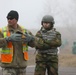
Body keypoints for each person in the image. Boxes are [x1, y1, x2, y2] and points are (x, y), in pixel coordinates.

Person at [0, 10, 35, 75]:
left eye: (11, 18)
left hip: (21, 67)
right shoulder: (2, 31)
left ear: (16, 19)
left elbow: (35, 44)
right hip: (8, 67)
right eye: (7, 18)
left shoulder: (24, 31)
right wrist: (8, 39)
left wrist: (31, 39)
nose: (9, 20)